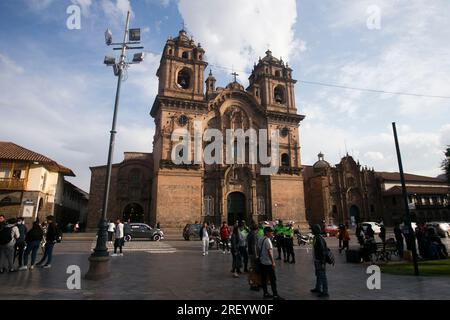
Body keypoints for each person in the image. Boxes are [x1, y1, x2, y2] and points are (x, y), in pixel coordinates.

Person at [257, 226, 282, 300]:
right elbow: (270, 252)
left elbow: (258, 248)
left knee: (264, 279)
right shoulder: (267, 240)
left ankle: (265, 293)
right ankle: (275, 295)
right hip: (268, 263)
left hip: (262, 261)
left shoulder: (260, 238)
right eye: (271, 232)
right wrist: (273, 262)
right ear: (267, 233)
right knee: (272, 279)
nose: (272, 233)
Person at [311, 224, 329, 298]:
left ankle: (325, 292)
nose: (312, 231)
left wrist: (322, 261)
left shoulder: (319, 238)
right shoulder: (316, 237)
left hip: (320, 260)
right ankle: (318, 288)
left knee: (322, 276)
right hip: (317, 259)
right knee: (318, 274)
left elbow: (322, 251)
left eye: (313, 230)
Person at [247, 221, 260, 291]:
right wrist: (256, 255)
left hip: (250, 253)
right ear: (256, 229)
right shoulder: (254, 235)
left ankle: (253, 283)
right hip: (253, 254)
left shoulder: (249, 234)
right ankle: (254, 284)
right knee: (254, 270)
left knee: (252, 269)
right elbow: (254, 245)